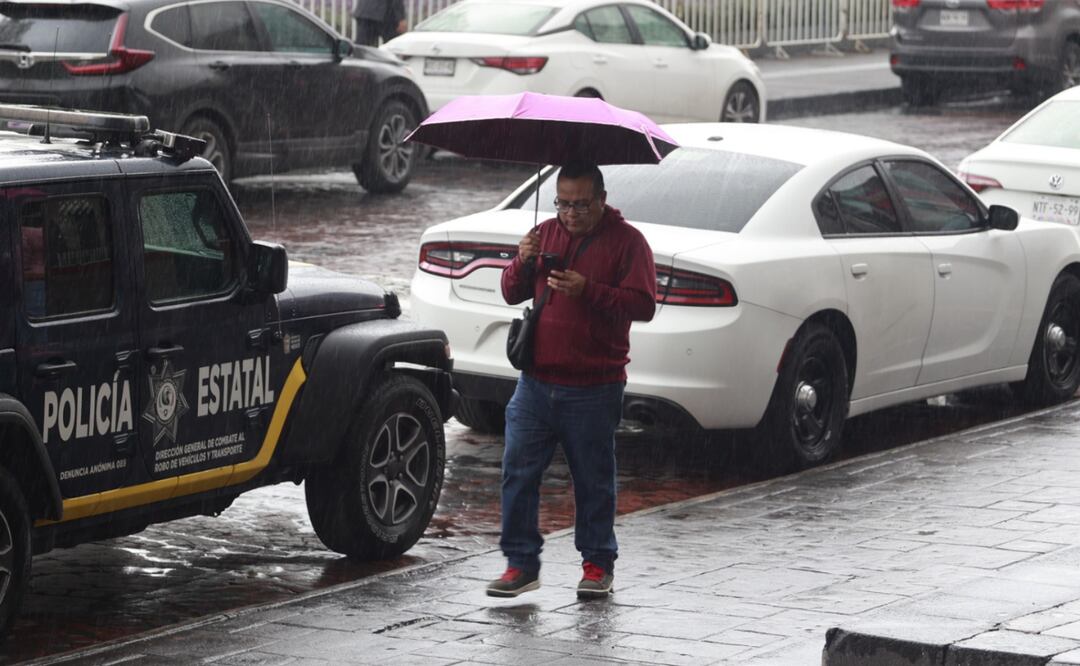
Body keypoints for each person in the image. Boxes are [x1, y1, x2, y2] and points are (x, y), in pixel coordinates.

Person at [487, 161, 656, 600]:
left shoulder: (628, 243)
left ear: (602, 200)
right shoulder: (544, 233)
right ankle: (521, 564)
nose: (570, 214)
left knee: (593, 480)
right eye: (563, 204)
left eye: (580, 205)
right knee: (517, 472)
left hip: (595, 386)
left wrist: (588, 290)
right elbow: (510, 291)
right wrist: (522, 261)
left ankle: (598, 565)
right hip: (535, 382)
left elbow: (643, 305)